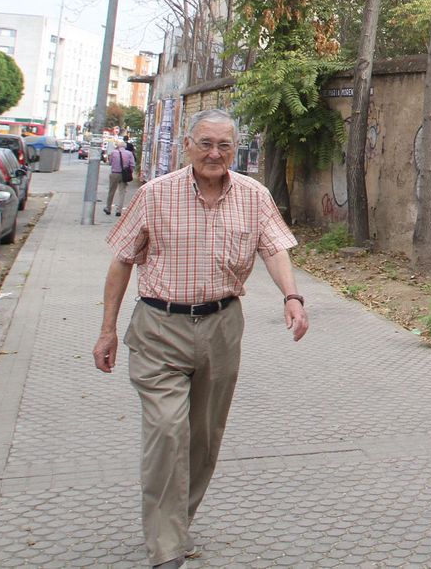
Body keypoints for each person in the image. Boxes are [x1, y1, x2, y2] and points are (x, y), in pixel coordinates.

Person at [92, 109, 309, 569]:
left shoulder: (254, 196)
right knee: (168, 430)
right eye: (206, 144)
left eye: (224, 146)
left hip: (222, 327)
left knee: (204, 437)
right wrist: (108, 328)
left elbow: (273, 249)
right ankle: (166, 548)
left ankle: (176, 521)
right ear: (187, 145)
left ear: (236, 149)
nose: (214, 153)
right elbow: (121, 262)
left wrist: (292, 296)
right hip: (159, 327)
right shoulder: (155, 195)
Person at [105, 139, 135, 216]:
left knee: (111, 191)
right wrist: (129, 172)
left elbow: (110, 162)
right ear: (125, 146)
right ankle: (119, 211)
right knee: (122, 192)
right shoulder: (129, 154)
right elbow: (132, 165)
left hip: (114, 173)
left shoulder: (113, 153)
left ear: (118, 146)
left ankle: (108, 208)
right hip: (124, 175)